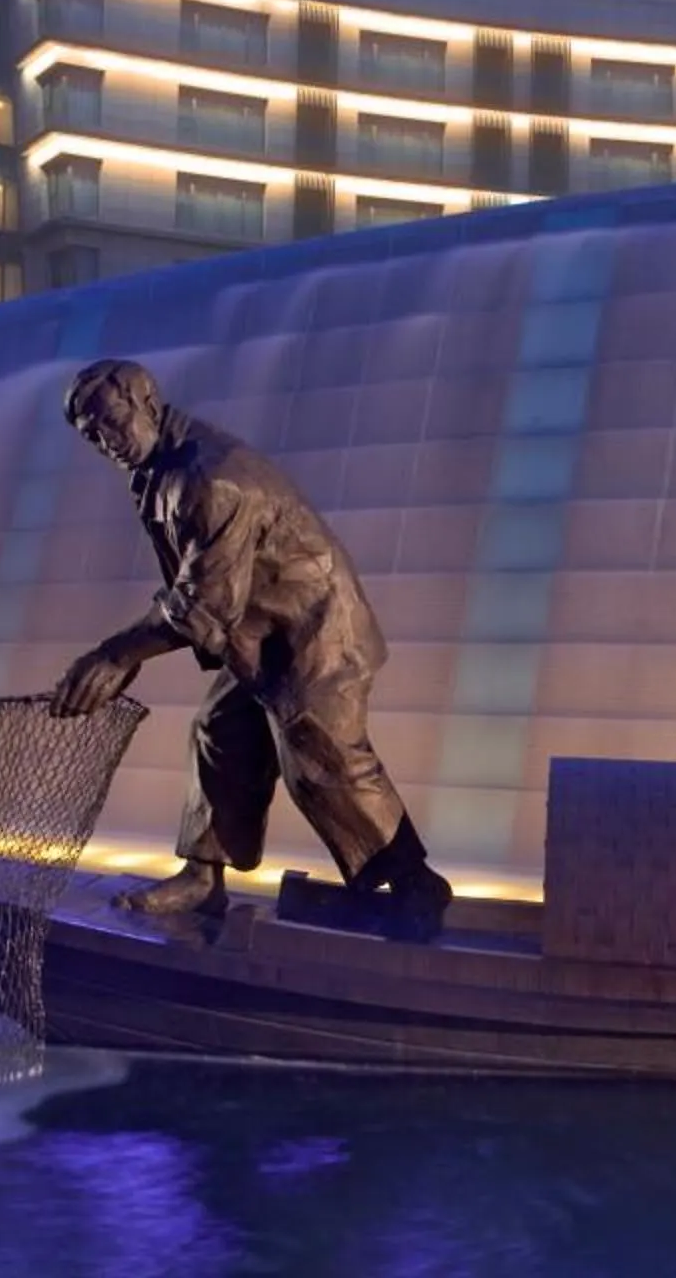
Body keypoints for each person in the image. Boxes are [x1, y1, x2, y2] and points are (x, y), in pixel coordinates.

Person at [49, 358, 453, 939]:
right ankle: (203, 877)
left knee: (321, 756)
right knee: (220, 729)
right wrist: (130, 650)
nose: (105, 442)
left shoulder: (213, 479)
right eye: (91, 435)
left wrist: (117, 655)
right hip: (261, 633)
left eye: (110, 423)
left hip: (315, 631)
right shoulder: (156, 468)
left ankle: (416, 884)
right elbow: (198, 587)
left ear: (147, 404)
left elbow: (204, 603)